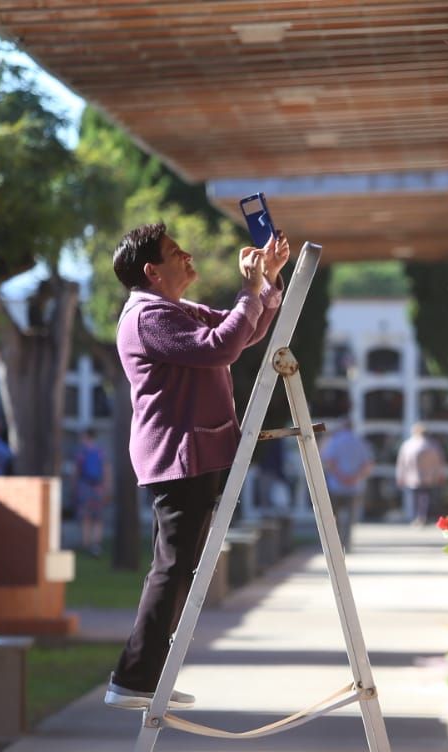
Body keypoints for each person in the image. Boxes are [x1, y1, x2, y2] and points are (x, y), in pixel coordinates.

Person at [104, 221, 290, 710]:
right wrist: (253, 289)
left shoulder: (172, 310)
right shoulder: (148, 316)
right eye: (174, 252)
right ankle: (133, 677)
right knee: (173, 568)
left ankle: (145, 676)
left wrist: (267, 284)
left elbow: (241, 332)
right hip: (178, 456)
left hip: (190, 453)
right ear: (152, 270)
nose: (187, 256)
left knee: (177, 567)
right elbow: (222, 347)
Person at [320, 418, 372, 550]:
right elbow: (367, 465)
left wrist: (341, 476)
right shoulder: (360, 442)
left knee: (333, 517)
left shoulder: (334, 441)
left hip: (335, 485)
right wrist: (355, 478)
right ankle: (346, 544)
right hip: (354, 487)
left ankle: (334, 544)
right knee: (350, 518)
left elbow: (329, 461)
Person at [394, 423, 446, 527]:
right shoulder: (432, 445)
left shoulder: (408, 445)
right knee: (425, 497)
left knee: (415, 498)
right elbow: (439, 462)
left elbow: (402, 462)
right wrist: (439, 474)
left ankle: (417, 517)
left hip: (412, 477)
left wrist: (400, 475)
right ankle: (422, 517)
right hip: (429, 476)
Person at [74, 428, 108, 556]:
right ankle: (96, 544)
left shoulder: (81, 453)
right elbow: (106, 470)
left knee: (86, 517)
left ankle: (86, 543)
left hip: (85, 487)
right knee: (98, 518)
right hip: (98, 487)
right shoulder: (100, 452)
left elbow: (76, 471)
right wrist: (106, 487)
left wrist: (75, 488)